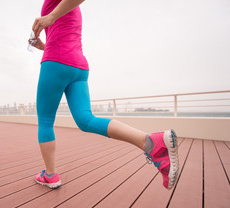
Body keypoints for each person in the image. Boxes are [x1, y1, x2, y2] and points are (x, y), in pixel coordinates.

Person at [30, 0, 179, 190]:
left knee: (45, 121)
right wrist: (43, 45)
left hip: (56, 63)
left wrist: (49, 18)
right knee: (86, 120)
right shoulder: (68, 7)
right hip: (78, 67)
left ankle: (50, 175)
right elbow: (62, 35)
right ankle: (151, 142)